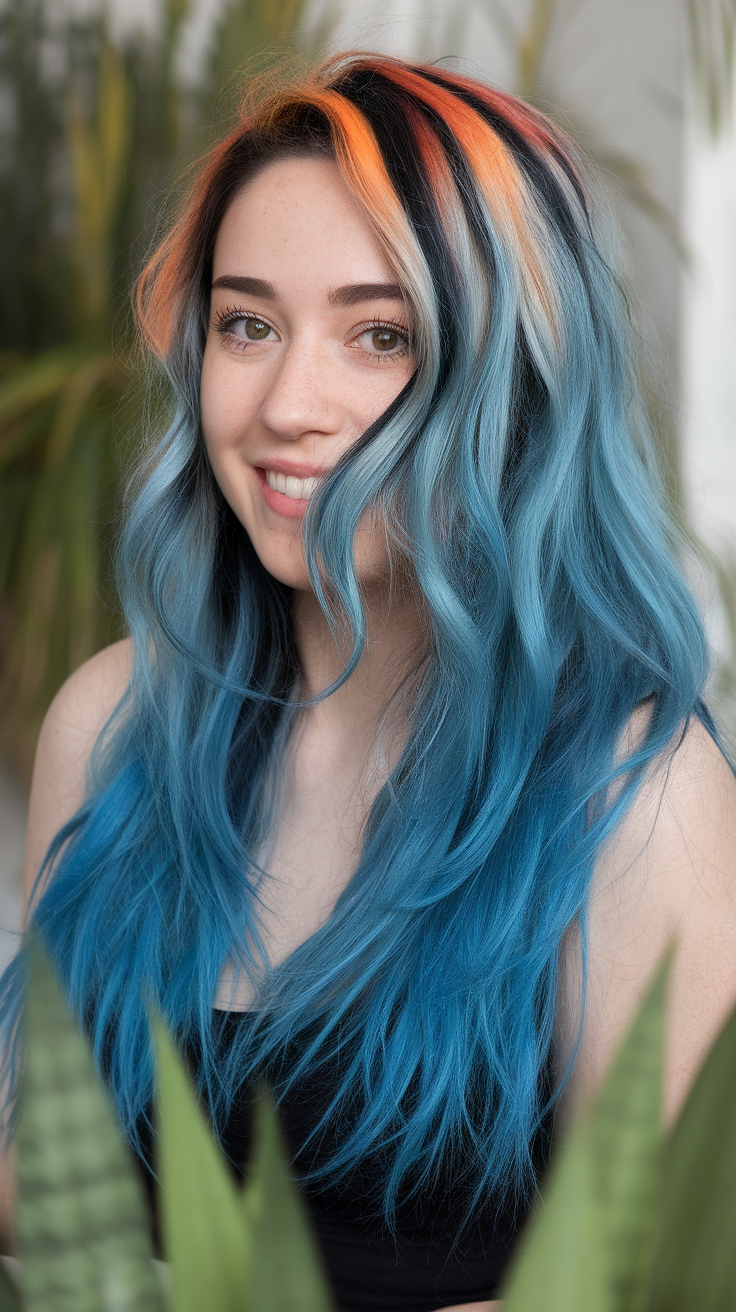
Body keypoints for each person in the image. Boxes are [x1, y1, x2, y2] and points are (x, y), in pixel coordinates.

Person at [4, 51, 736, 1312]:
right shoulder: (112, 722)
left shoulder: (632, 790)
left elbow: (674, 1283)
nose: (290, 402)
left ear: (517, 380)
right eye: (248, 323)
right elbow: (47, 1179)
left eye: (379, 333)